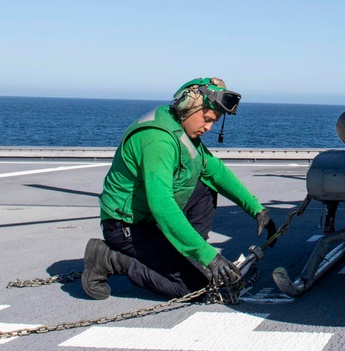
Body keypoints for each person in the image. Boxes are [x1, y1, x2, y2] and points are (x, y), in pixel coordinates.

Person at [82, 77, 277, 300]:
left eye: (214, 122)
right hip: (127, 227)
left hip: (148, 220)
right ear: (188, 106)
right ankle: (109, 258)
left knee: (204, 185)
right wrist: (210, 258)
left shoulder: (181, 128)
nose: (209, 127)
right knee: (198, 287)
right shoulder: (159, 142)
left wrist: (257, 210)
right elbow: (163, 207)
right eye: (206, 119)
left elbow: (216, 172)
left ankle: (190, 253)